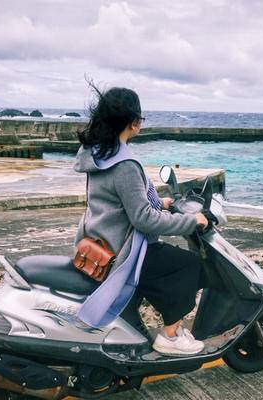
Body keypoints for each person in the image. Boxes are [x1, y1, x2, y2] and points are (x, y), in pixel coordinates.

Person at [73, 84, 209, 356]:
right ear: (134, 122)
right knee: (190, 264)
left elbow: (118, 200)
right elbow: (144, 220)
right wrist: (192, 221)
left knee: (165, 265)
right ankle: (170, 335)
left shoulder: (98, 154)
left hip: (101, 240)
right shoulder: (125, 164)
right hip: (125, 251)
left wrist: (163, 203)